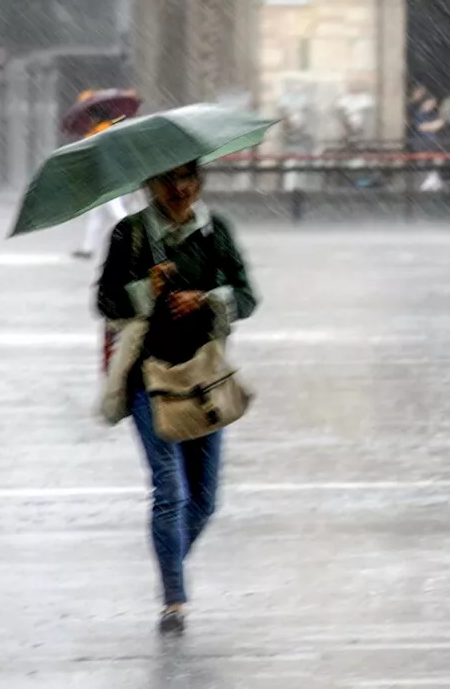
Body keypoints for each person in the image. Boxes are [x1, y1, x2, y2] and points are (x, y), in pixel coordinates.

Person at [97, 160, 258, 634]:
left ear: (200, 181)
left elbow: (247, 296)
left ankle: (171, 564)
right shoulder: (130, 235)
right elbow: (105, 302)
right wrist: (145, 288)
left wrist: (208, 298)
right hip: (149, 377)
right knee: (169, 490)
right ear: (151, 184)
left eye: (188, 178)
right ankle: (174, 600)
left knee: (204, 500)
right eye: (169, 180)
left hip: (203, 377)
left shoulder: (215, 231)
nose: (180, 189)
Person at [73, 111, 142, 260]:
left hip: (108, 181)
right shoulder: (112, 130)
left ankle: (135, 237)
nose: (90, 120)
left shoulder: (100, 132)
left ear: (97, 118)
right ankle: (88, 248)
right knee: (97, 215)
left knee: (116, 212)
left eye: (91, 118)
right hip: (112, 179)